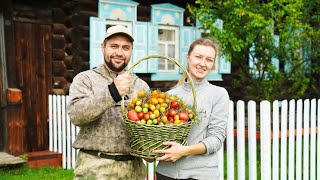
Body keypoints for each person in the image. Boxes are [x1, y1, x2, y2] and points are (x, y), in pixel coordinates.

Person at [67, 25, 149, 179]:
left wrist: (149, 150)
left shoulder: (141, 86)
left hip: (133, 170)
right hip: (95, 168)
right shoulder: (86, 79)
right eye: (114, 46)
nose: (119, 52)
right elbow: (76, 115)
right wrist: (112, 92)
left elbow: (148, 127)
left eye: (126, 47)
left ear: (131, 51)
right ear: (103, 47)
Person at [154, 38, 230, 180]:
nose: (202, 64)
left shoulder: (218, 94)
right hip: (165, 173)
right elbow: (161, 134)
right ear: (188, 58)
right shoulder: (170, 96)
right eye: (198, 57)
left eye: (209, 59)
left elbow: (217, 139)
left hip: (200, 175)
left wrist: (184, 151)